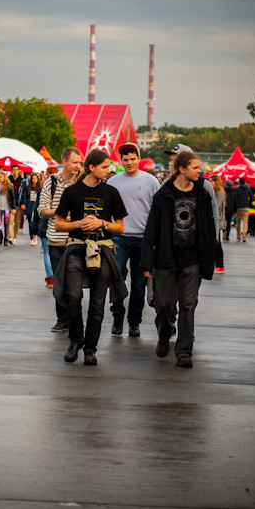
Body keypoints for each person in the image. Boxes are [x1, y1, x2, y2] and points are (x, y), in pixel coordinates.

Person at [142, 150, 216, 368]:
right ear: (182, 169)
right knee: (163, 304)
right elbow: (151, 230)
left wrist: (210, 259)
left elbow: (209, 230)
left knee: (188, 304)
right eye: (195, 167)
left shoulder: (202, 195)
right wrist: (147, 262)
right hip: (165, 258)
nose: (199, 171)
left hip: (192, 260)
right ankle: (164, 335)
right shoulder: (163, 195)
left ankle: (184, 351)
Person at [54, 149, 127, 365]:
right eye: (104, 167)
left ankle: (90, 349)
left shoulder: (111, 192)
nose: (108, 170)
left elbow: (120, 227)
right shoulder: (72, 192)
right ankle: (75, 340)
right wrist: (79, 223)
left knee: (97, 302)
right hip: (76, 248)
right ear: (91, 167)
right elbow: (58, 224)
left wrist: (102, 223)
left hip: (102, 250)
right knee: (73, 296)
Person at [107, 142, 160, 336]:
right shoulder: (113, 182)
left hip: (143, 239)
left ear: (139, 158)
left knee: (139, 284)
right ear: (121, 161)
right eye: (125, 159)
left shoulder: (151, 182)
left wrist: (155, 239)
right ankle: (117, 318)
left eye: (132, 158)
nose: (129, 162)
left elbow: (157, 211)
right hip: (118, 237)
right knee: (117, 279)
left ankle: (134, 321)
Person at [38, 147, 82, 332]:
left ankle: (75, 319)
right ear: (64, 162)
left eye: (79, 163)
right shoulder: (51, 183)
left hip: (77, 240)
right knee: (60, 280)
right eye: (74, 162)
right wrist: (60, 212)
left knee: (76, 283)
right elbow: (42, 210)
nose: (77, 166)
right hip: (56, 240)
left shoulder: (83, 183)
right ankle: (62, 318)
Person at [0, 171, 17, 246]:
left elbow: (13, 198)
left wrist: (13, 208)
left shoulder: (9, 186)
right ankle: (1, 234)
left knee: (6, 223)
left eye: (1, 177)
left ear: (5, 178)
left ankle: (6, 239)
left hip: (7, 207)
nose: (0, 178)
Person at [210, 174, 226, 274]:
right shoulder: (215, 192)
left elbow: (216, 207)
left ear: (216, 182)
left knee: (217, 243)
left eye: (211, 181)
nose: (209, 183)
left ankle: (220, 265)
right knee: (215, 242)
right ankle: (217, 264)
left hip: (218, 221)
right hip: (216, 220)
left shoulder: (219, 193)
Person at [22, 173, 42, 246]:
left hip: (37, 207)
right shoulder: (28, 188)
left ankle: (35, 236)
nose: (34, 180)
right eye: (33, 178)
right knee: (30, 223)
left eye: (35, 178)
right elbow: (25, 197)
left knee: (35, 222)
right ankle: (31, 238)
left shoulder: (40, 188)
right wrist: (24, 204)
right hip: (29, 206)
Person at [9, 164, 26, 243]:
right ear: (11, 171)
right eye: (13, 170)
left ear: (19, 171)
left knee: (17, 221)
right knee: (10, 220)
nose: (15, 171)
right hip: (10, 203)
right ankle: (11, 236)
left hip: (19, 204)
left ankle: (15, 237)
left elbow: (24, 193)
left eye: (16, 170)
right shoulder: (9, 179)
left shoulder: (22, 181)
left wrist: (24, 203)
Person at [233, 178, 252, 242]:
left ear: (239, 183)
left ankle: (238, 236)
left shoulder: (236, 189)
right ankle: (244, 236)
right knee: (245, 222)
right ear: (244, 182)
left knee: (238, 222)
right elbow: (252, 198)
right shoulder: (248, 189)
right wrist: (249, 204)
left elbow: (234, 199)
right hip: (246, 207)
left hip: (238, 207)